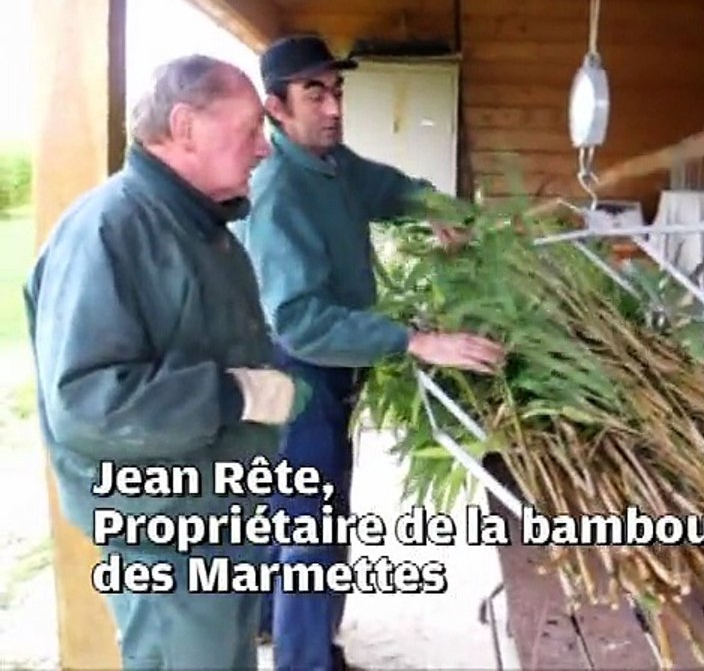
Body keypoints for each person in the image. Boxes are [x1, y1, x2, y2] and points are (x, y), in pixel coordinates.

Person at [24, 55, 310, 671]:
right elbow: (86, 404)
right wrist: (235, 396)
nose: (264, 149)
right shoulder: (110, 230)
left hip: (218, 510)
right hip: (163, 531)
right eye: (251, 130)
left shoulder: (203, 227)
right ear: (185, 127)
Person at [232, 34, 505, 671]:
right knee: (310, 525)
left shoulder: (331, 164)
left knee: (298, 512)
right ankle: (306, 662)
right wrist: (416, 340)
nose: (332, 108)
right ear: (276, 108)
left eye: (336, 90)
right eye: (313, 93)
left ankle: (272, 624)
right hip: (295, 371)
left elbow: (386, 188)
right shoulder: (278, 192)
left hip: (327, 367)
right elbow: (298, 321)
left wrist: (437, 208)